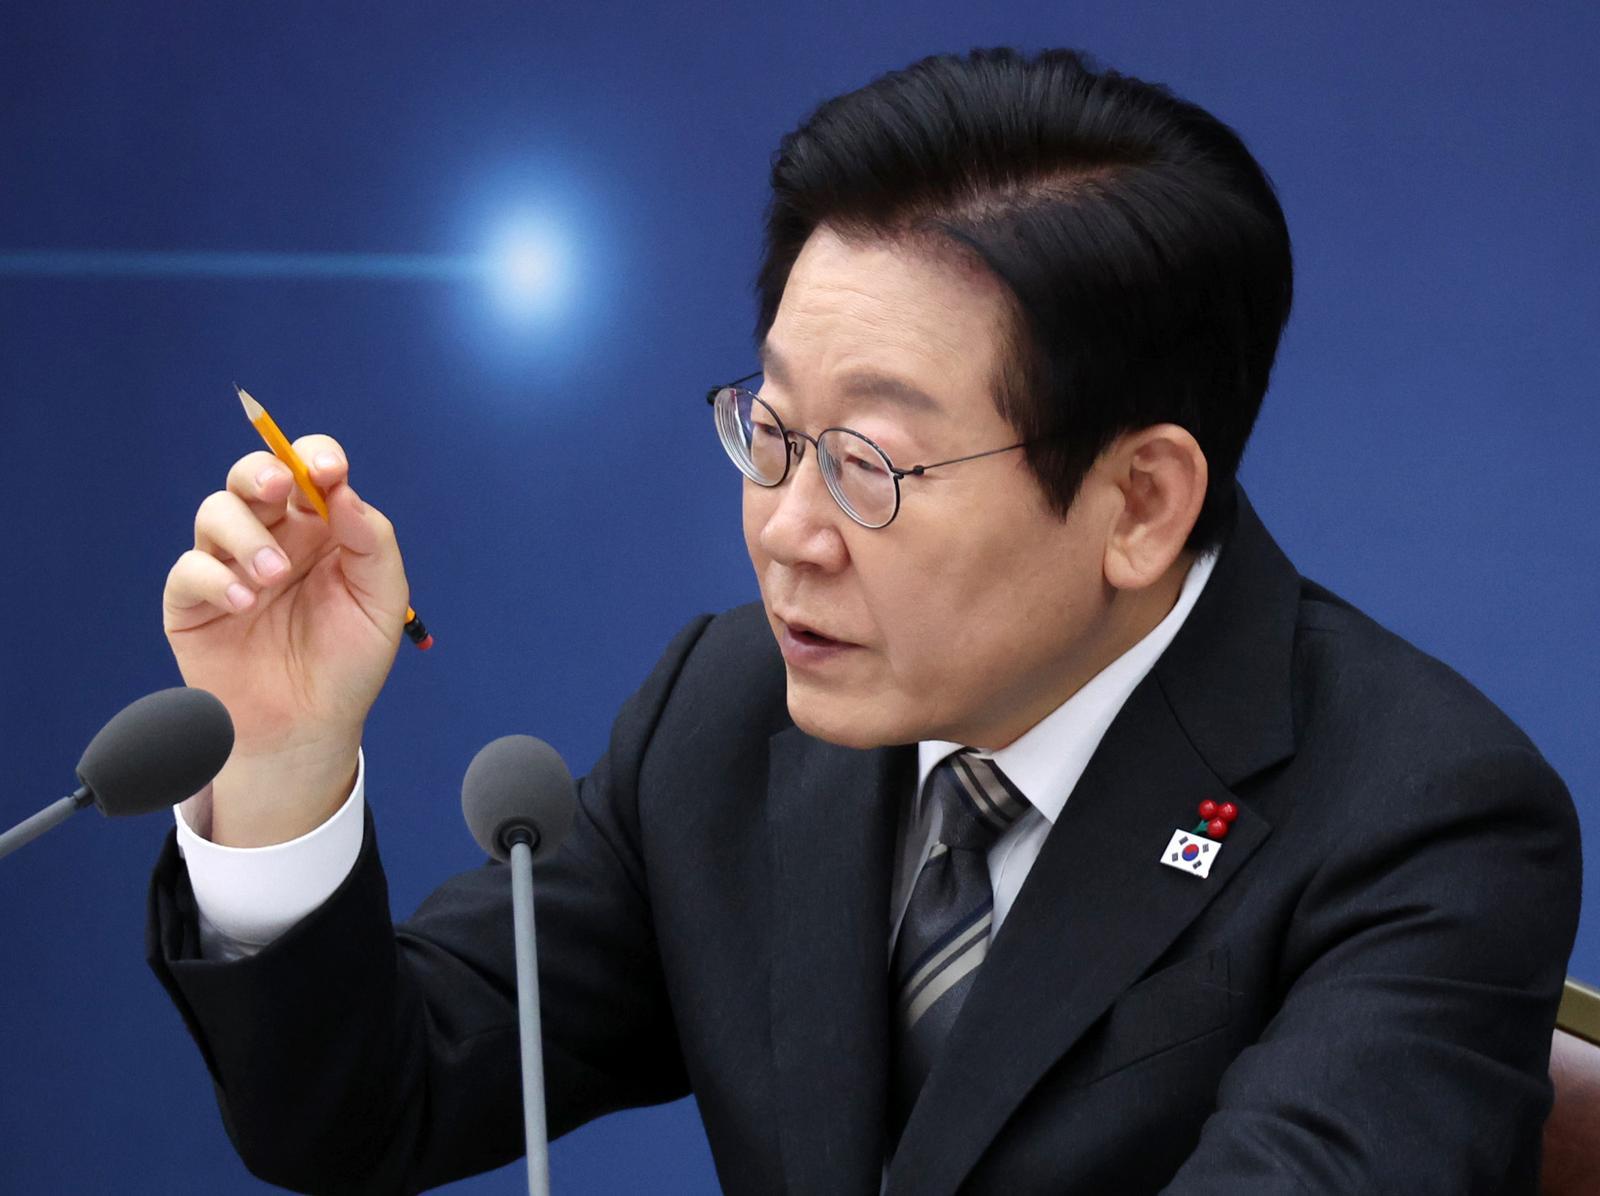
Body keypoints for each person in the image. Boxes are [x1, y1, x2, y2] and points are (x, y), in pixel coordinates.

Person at [148, 47, 1581, 1194]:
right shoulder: (727, 713)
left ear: (1140, 502)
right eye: (771, 432)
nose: (787, 531)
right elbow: (363, 1112)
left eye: (870, 466)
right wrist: (279, 759)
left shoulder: (1425, 821)